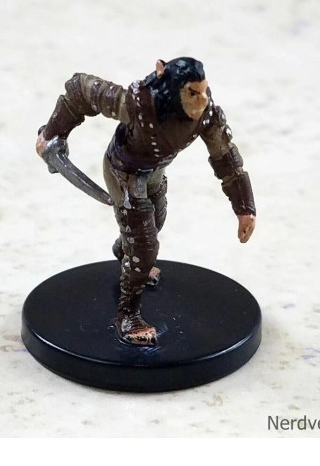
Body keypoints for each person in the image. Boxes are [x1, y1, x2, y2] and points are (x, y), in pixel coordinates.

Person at [36, 57, 256, 346]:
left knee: (156, 221)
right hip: (124, 172)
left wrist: (244, 207)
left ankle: (126, 254)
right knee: (145, 244)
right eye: (193, 93)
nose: (201, 100)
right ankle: (128, 316)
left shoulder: (208, 114)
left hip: (155, 172)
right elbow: (81, 90)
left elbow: (226, 159)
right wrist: (52, 132)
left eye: (204, 91)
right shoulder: (139, 104)